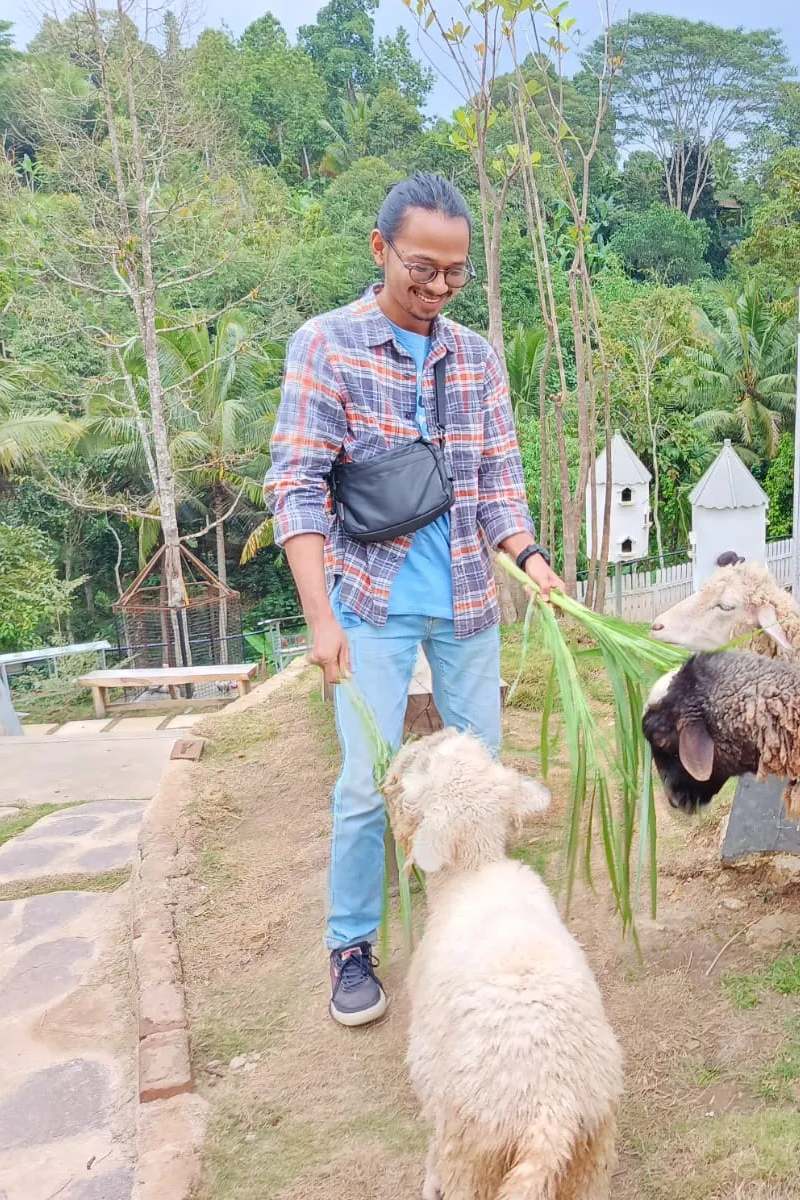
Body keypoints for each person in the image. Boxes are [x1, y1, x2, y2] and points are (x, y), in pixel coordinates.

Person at [265, 173, 562, 1028]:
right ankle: (351, 943)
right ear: (380, 250)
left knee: (478, 780)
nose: (437, 289)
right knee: (366, 783)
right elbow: (297, 488)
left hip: (469, 599)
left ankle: (472, 932)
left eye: (455, 274)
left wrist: (531, 557)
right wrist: (321, 620)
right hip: (369, 600)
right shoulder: (327, 346)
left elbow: (500, 479)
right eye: (421, 269)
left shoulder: (475, 355)